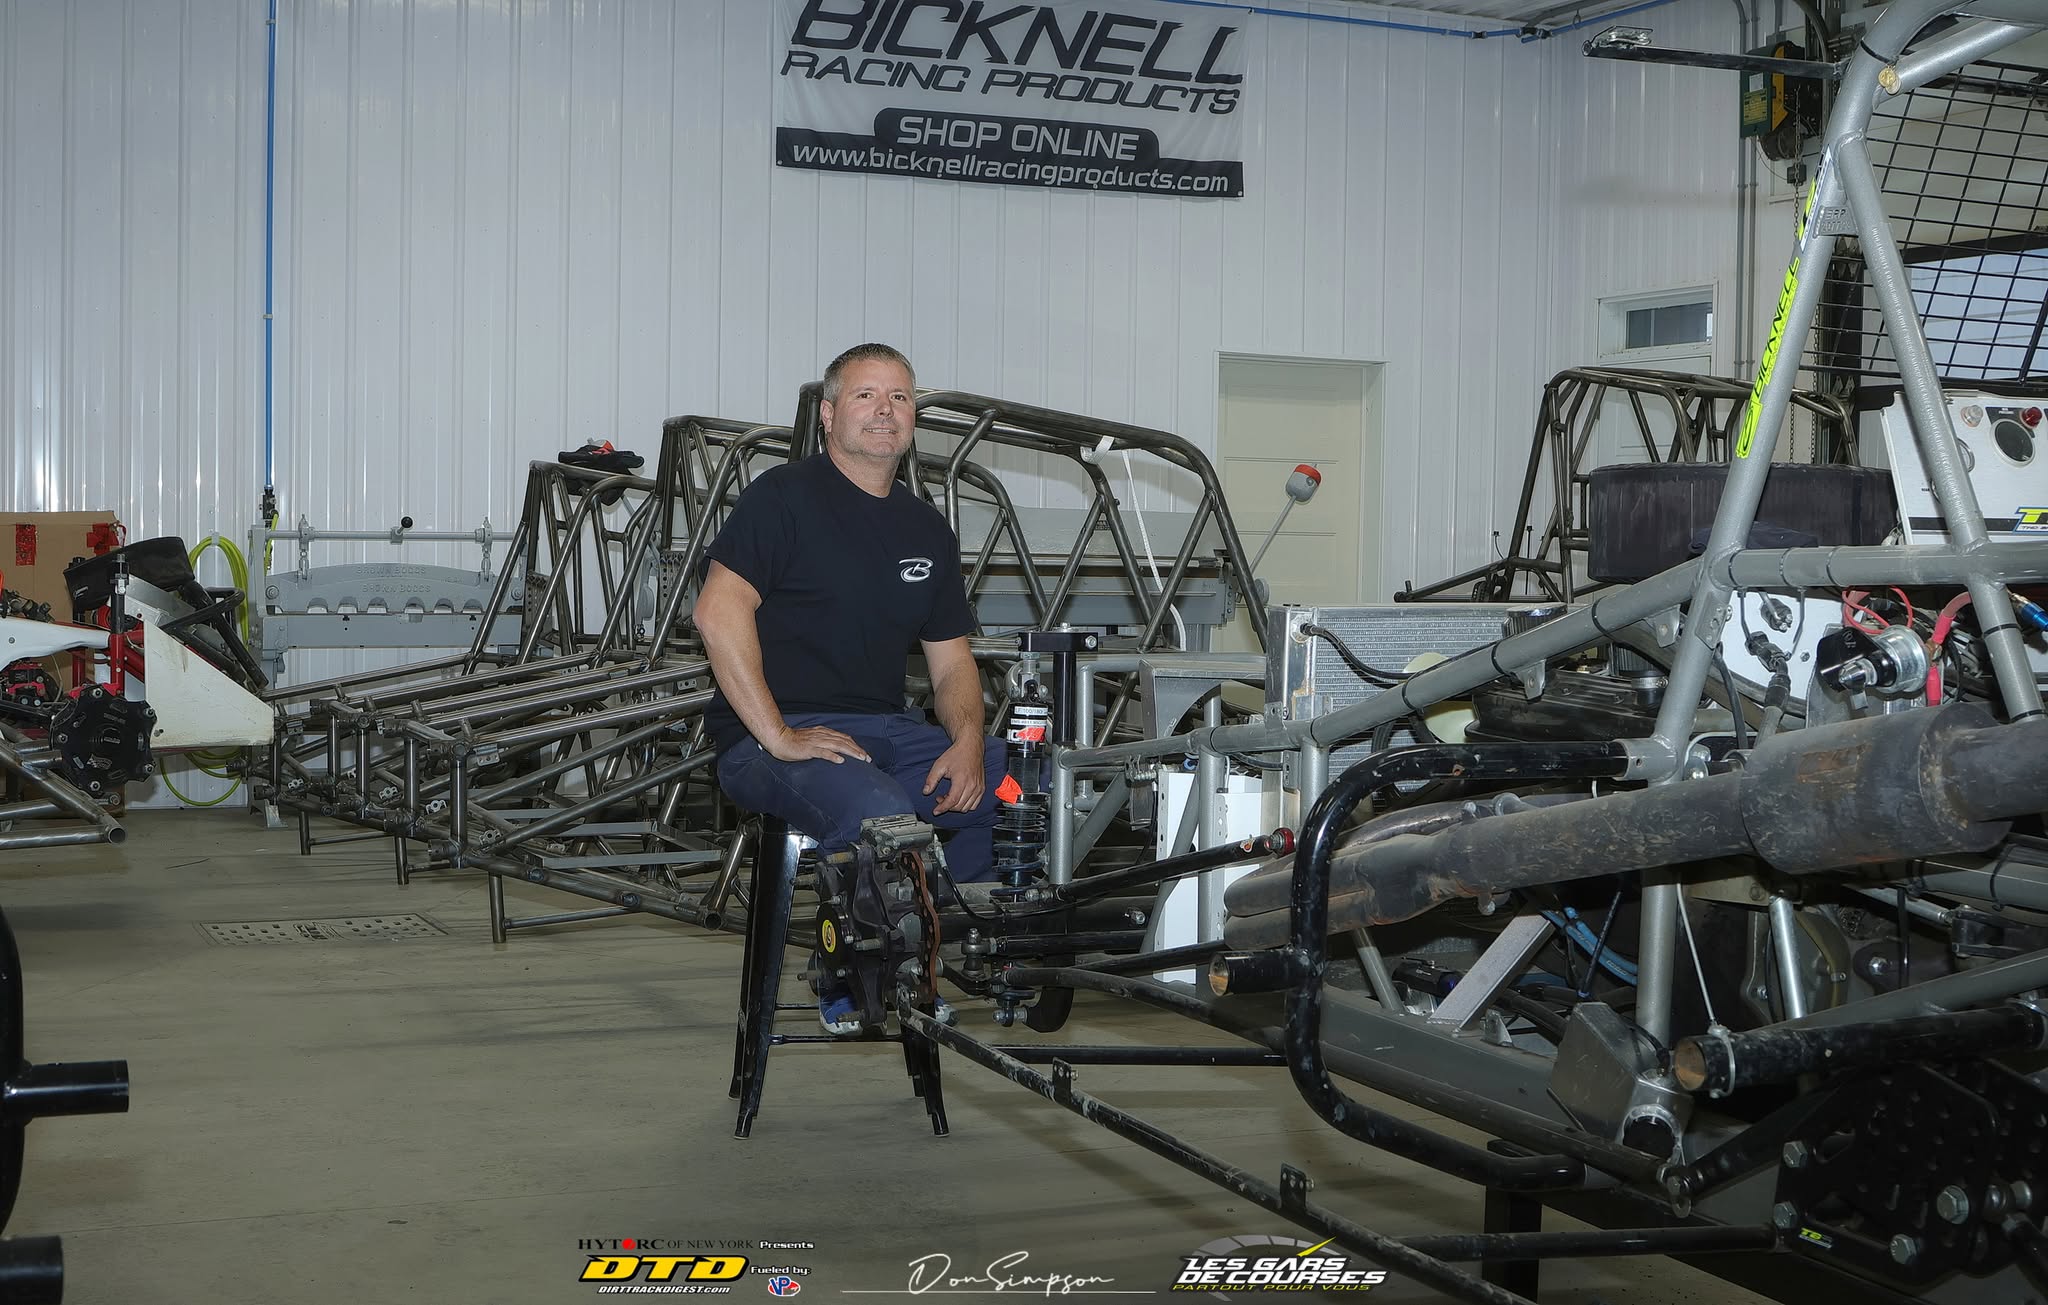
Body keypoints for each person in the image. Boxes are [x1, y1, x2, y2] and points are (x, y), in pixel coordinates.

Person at [692, 343, 1005, 1032]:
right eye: (866, 395)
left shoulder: (926, 528)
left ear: (914, 417)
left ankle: (948, 951)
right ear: (830, 414)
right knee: (878, 808)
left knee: (1006, 780)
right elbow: (716, 611)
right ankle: (850, 977)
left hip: (878, 728)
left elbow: (953, 664)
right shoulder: (782, 498)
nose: (884, 410)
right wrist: (776, 732)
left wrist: (971, 742)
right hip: (770, 737)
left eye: (899, 397)